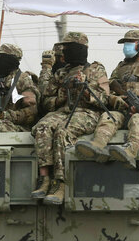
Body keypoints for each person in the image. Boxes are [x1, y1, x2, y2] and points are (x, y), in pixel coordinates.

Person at [75, 30, 139, 168]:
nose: (126, 47)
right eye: (125, 43)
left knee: (138, 119)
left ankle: (130, 151)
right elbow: (110, 88)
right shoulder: (121, 67)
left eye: (130, 43)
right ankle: (98, 145)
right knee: (108, 116)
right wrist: (119, 99)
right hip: (124, 110)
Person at [31, 31, 110, 205]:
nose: (64, 52)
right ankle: (44, 179)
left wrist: (85, 89)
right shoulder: (60, 73)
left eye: (67, 48)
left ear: (78, 49)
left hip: (87, 113)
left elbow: (105, 99)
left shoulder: (96, 70)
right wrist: (61, 96)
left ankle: (61, 183)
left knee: (63, 131)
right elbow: (46, 101)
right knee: (42, 127)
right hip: (63, 111)